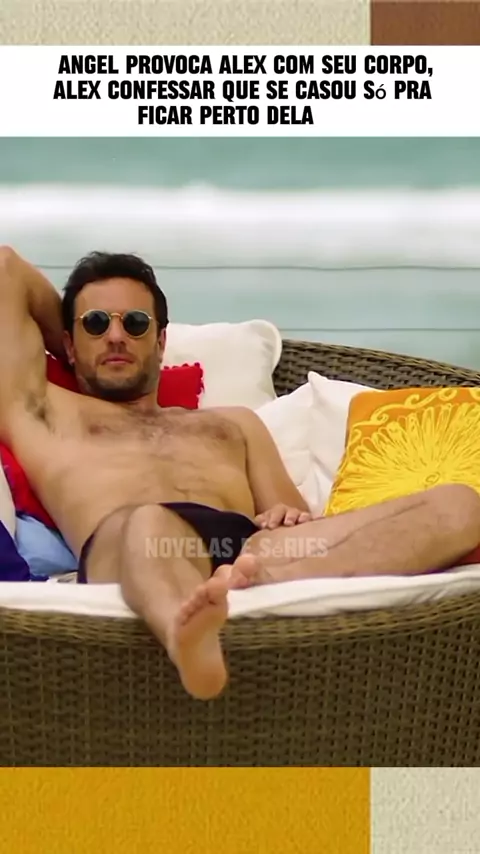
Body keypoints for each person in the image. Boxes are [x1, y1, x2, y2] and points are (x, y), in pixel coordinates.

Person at [0, 247, 478, 700]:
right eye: (96, 323)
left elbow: (293, 516)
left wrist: (285, 518)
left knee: (460, 504)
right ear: (67, 341)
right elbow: (5, 269)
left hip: (250, 552)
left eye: (136, 323)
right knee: (150, 522)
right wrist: (72, 344)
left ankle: (250, 586)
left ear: (161, 342)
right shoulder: (44, 411)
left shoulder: (233, 424)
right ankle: (185, 634)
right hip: (137, 547)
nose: (116, 336)